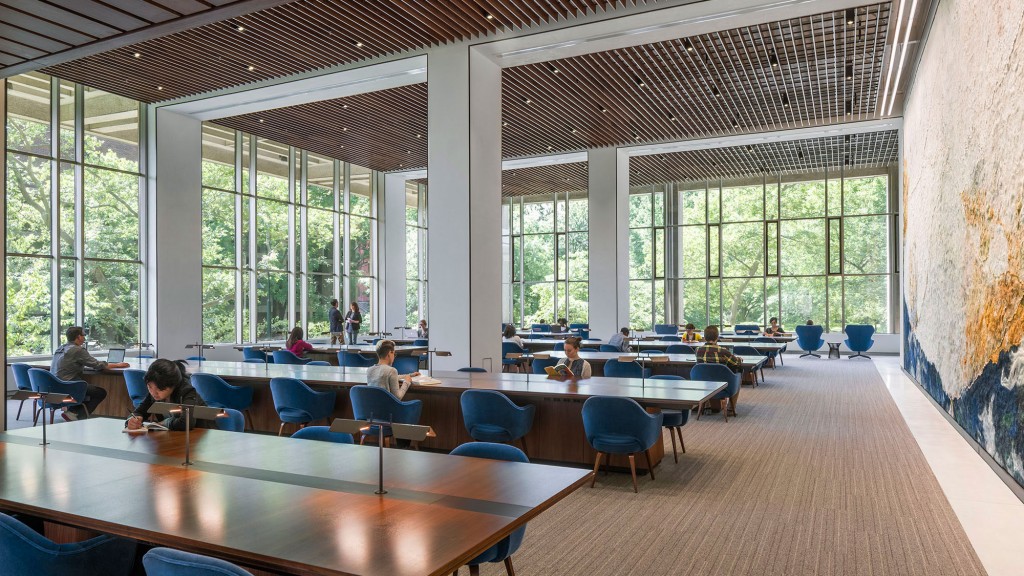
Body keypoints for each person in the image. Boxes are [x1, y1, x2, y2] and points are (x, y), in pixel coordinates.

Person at [50, 326, 130, 421]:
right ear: (78, 337)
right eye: (83, 335)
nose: (84, 338)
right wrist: (118, 365)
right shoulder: (78, 350)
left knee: (85, 388)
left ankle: (73, 412)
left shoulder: (60, 348)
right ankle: (75, 414)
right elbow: (98, 365)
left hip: (53, 386)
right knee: (100, 392)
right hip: (68, 386)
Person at [125, 359, 206, 431]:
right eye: (149, 387)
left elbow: (187, 422)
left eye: (160, 389)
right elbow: (139, 412)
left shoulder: (187, 392)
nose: (153, 393)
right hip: (174, 436)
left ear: (173, 385)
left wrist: (165, 422)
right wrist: (131, 421)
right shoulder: (154, 392)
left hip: (202, 436)